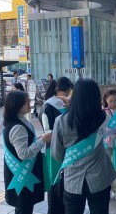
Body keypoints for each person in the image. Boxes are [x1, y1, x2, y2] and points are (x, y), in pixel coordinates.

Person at [51, 79, 116, 214]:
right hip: (99, 178)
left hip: (72, 181)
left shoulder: (61, 121)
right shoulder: (103, 118)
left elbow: (56, 154)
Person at [2, 91, 52, 214]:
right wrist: (43, 140)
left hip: (23, 173)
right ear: (16, 105)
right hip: (22, 174)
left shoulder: (19, 121)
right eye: (27, 102)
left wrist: (39, 139)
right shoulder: (17, 127)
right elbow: (23, 154)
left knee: (24, 205)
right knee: (24, 206)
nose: (30, 104)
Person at [39, 77, 73, 214]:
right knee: (55, 186)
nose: (68, 96)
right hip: (53, 152)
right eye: (68, 92)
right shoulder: (48, 106)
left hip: (66, 151)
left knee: (65, 185)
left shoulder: (65, 105)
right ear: (60, 90)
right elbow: (48, 133)